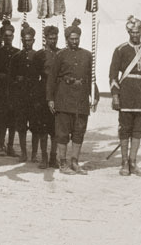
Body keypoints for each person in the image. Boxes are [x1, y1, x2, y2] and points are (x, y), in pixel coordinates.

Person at [47, 19, 99, 175]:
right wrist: (50, 98)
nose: (74, 41)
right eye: (72, 39)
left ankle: (74, 162)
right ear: (67, 39)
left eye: (77, 39)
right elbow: (52, 78)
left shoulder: (88, 55)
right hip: (63, 99)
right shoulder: (60, 55)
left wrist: (95, 96)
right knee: (62, 133)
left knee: (79, 132)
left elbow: (92, 78)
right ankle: (63, 163)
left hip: (81, 100)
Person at [109, 16, 141, 177]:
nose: (135, 35)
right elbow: (113, 75)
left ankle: (133, 162)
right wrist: (115, 96)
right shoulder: (121, 49)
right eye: (132, 32)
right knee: (125, 129)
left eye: (138, 31)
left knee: (138, 130)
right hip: (126, 94)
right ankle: (124, 163)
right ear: (128, 32)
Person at [9, 24, 38, 163]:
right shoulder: (16, 57)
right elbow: (10, 78)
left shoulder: (38, 56)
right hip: (21, 97)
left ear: (34, 40)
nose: (28, 43)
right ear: (22, 40)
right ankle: (24, 153)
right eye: (25, 40)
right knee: (21, 127)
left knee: (35, 127)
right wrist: (17, 80)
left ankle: (34, 154)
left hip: (34, 97)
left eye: (30, 40)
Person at [33, 25, 60, 169]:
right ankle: (44, 157)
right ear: (45, 39)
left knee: (55, 129)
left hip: (57, 94)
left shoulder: (61, 53)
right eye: (50, 38)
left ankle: (53, 158)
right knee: (43, 129)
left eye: (55, 38)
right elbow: (34, 77)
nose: (53, 41)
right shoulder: (39, 55)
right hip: (42, 94)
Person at [0, 20, 20, 156]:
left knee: (13, 120)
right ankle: (0, 145)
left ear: (13, 37)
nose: (8, 38)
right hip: (1, 91)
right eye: (6, 36)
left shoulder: (17, 53)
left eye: (10, 36)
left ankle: (10, 146)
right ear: (3, 37)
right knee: (1, 119)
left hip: (13, 91)